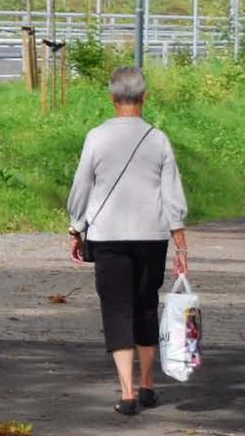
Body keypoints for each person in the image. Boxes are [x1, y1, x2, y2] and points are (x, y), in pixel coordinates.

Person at [67, 65, 189, 415]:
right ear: (145, 97)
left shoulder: (97, 137)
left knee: (117, 309)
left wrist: (77, 227)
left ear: (112, 98)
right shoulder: (158, 139)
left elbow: (82, 187)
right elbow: (172, 195)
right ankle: (148, 385)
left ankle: (127, 392)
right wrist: (180, 243)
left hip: (109, 236)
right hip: (152, 235)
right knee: (146, 304)